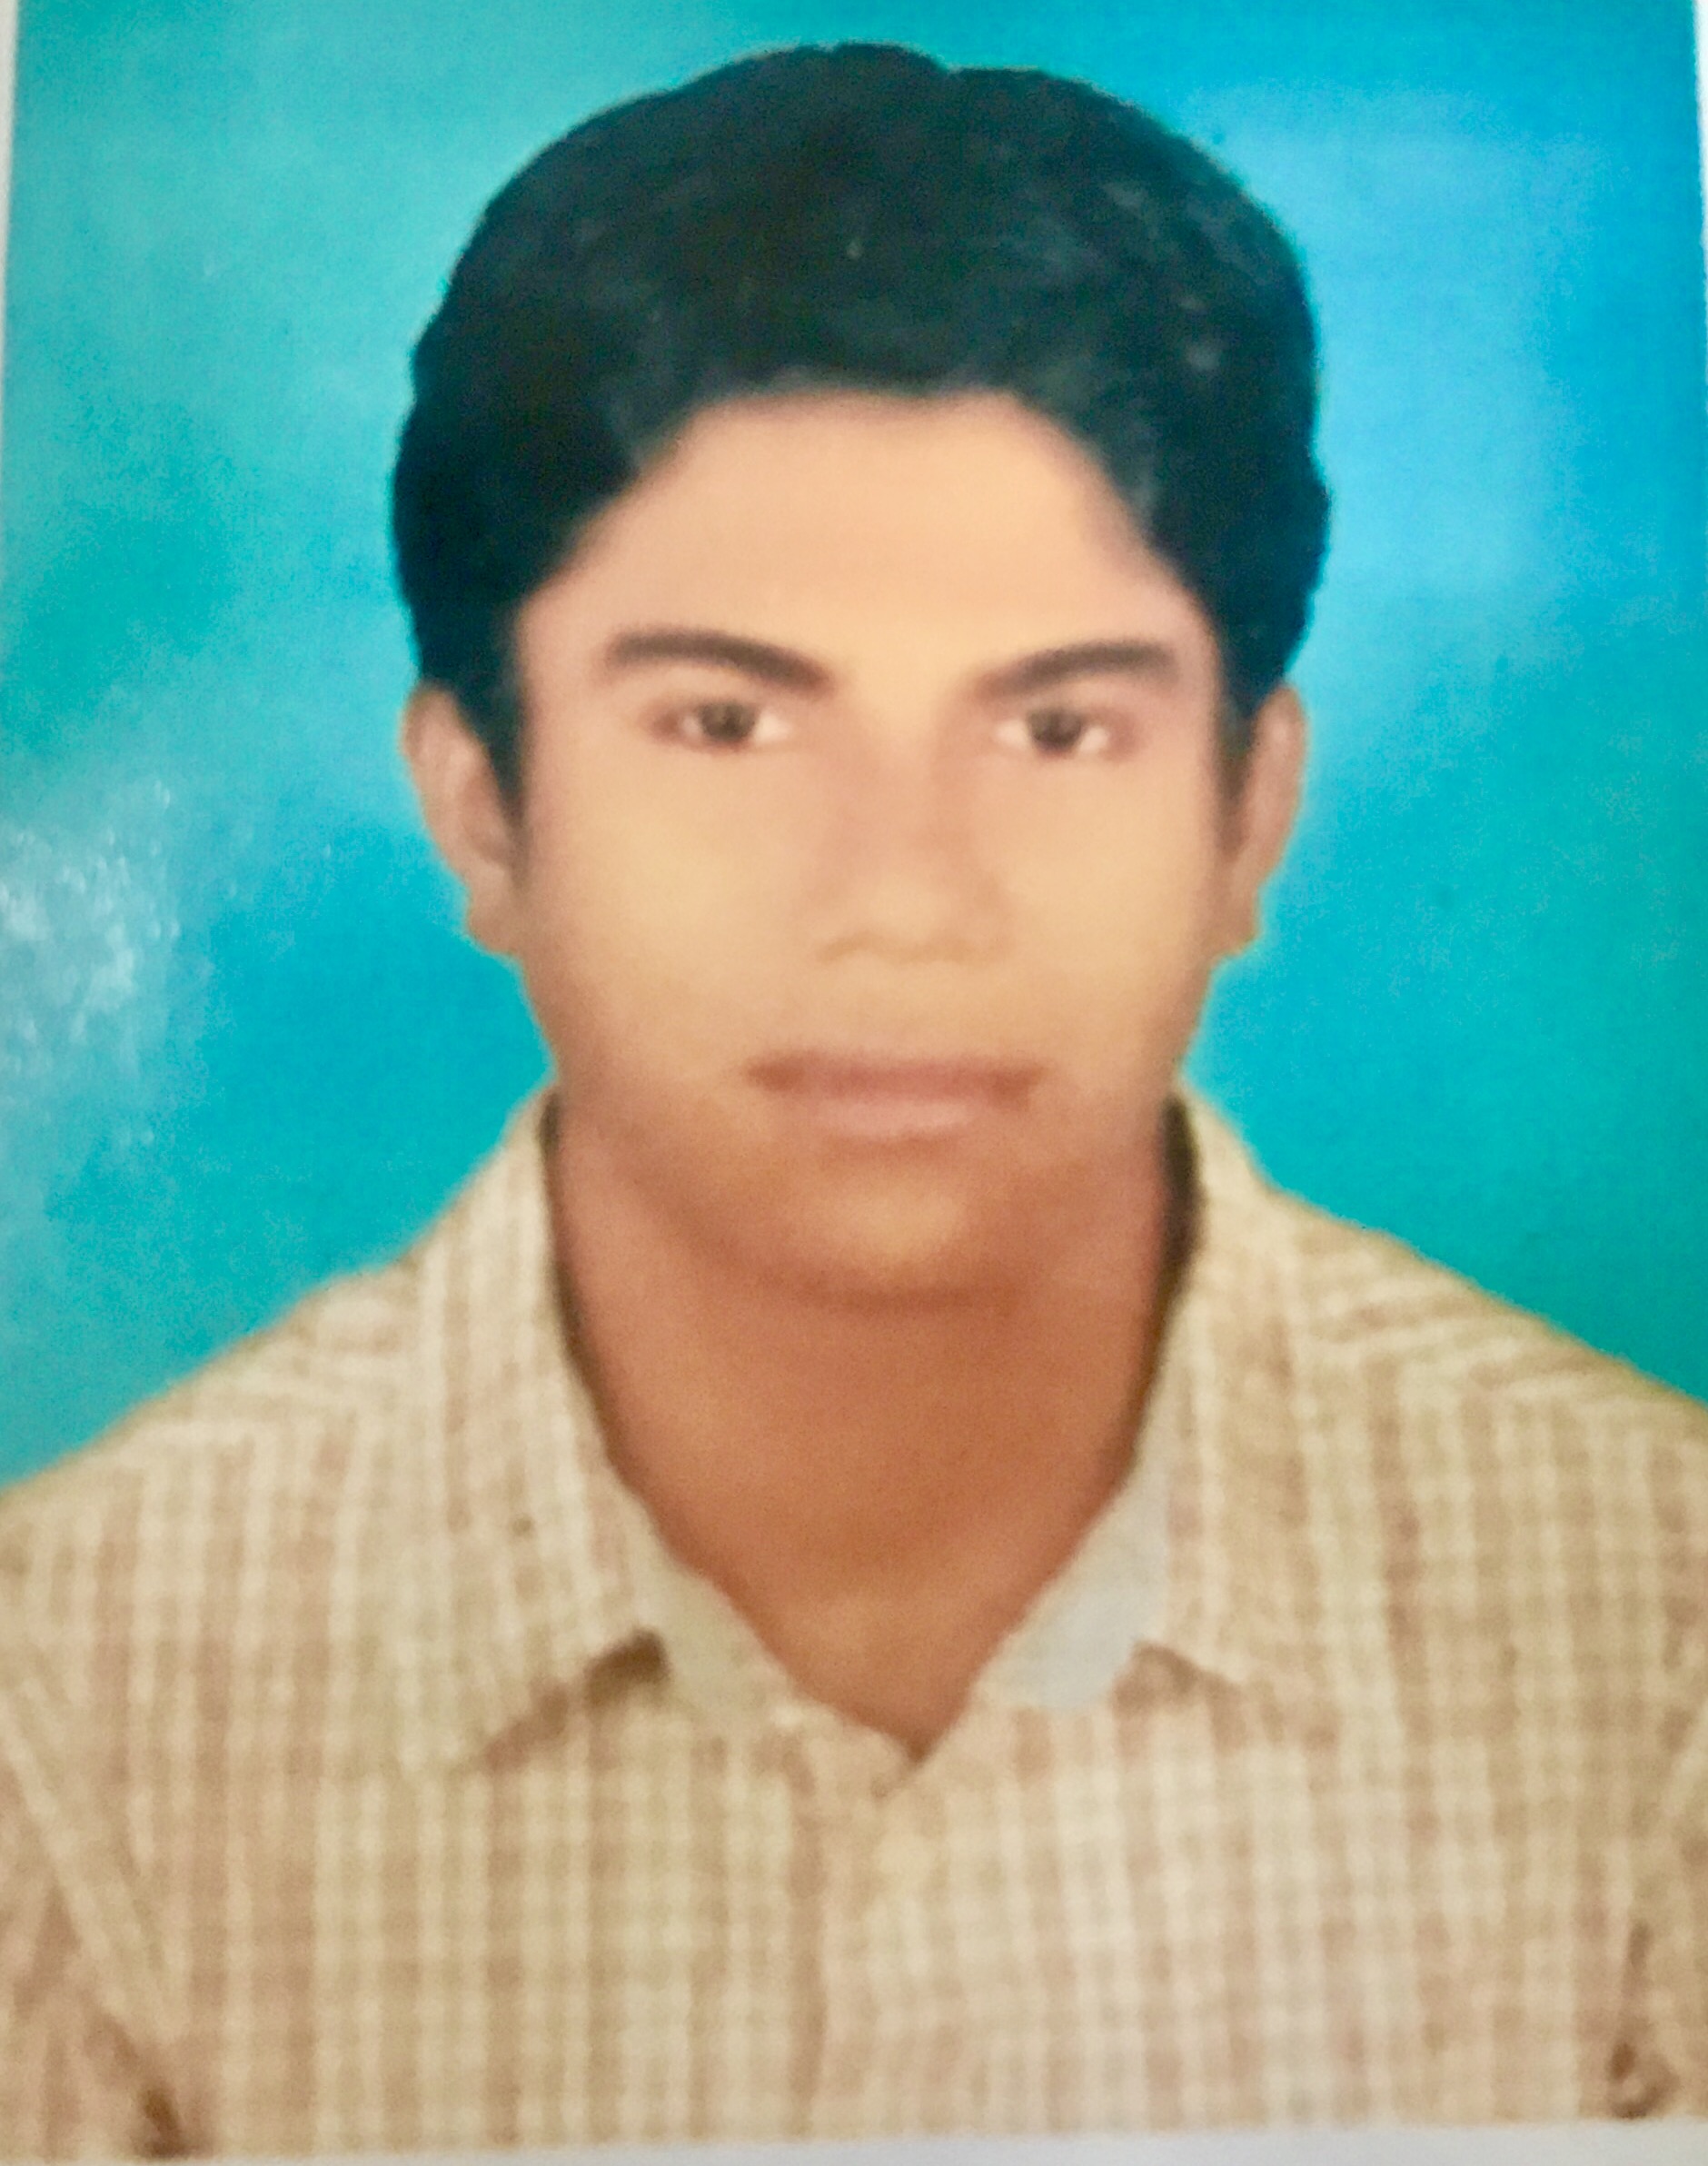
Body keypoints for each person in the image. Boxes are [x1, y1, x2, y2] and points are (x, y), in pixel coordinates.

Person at [0, 40, 1703, 2159]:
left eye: (1056, 731)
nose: (903, 902)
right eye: (728, 723)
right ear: (481, 806)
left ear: (1249, 814)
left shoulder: (1660, 1627)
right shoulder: (65, 1700)